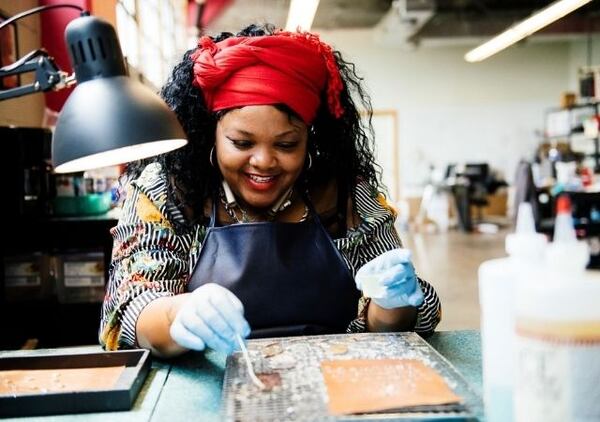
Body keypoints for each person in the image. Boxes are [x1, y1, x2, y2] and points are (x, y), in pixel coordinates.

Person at [100, 24, 441, 357]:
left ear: (310, 140)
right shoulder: (167, 192)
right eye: (242, 142)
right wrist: (175, 315)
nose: (263, 161)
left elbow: (403, 324)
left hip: (338, 383)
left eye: (287, 144)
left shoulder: (346, 197)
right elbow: (128, 308)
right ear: (211, 134)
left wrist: (393, 304)